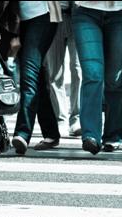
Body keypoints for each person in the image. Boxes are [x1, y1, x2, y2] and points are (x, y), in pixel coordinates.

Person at [73, 1, 122, 154]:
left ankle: (112, 135)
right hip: (85, 11)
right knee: (92, 74)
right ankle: (91, 135)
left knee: (113, 78)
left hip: (121, 13)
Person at [11, 1, 62, 155]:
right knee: (36, 77)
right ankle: (51, 132)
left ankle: (22, 133)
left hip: (42, 15)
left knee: (29, 76)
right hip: (17, 20)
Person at [43, 1, 83, 141]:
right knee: (55, 72)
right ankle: (61, 120)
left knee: (78, 71)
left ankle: (76, 119)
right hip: (54, 15)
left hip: (79, 16)